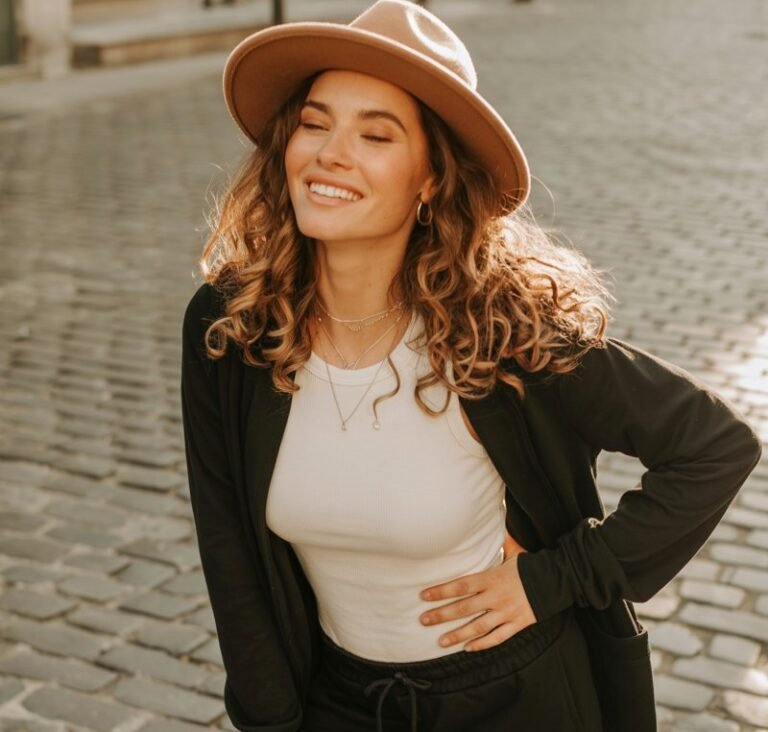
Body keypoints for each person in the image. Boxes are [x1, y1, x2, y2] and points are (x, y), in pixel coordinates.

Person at [180, 1, 762, 730]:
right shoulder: (232, 325)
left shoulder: (501, 331)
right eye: (314, 122)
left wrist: (555, 579)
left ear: (430, 180)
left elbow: (714, 447)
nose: (330, 153)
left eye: (376, 134)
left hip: (516, 701)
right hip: (340, 702)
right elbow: (229, 548)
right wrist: (271, 720)